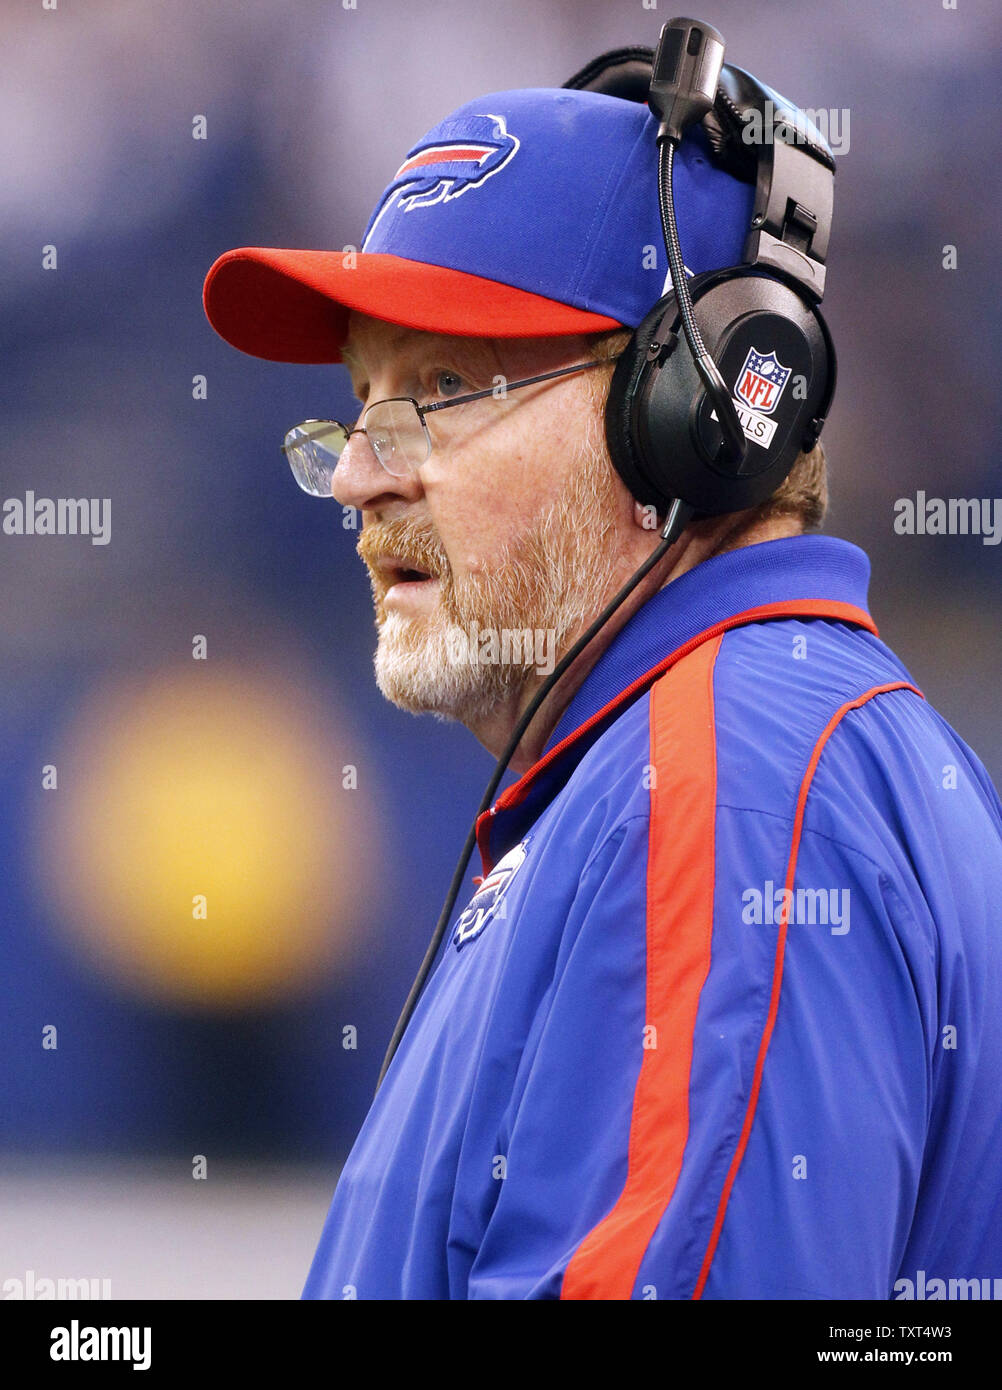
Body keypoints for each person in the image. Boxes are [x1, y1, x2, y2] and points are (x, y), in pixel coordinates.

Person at [203, 68, 1002, 1300]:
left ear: (696, 412)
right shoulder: (715, 763)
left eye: (442, 392)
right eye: (360, 404)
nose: (361, 476)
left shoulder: (719, 787)